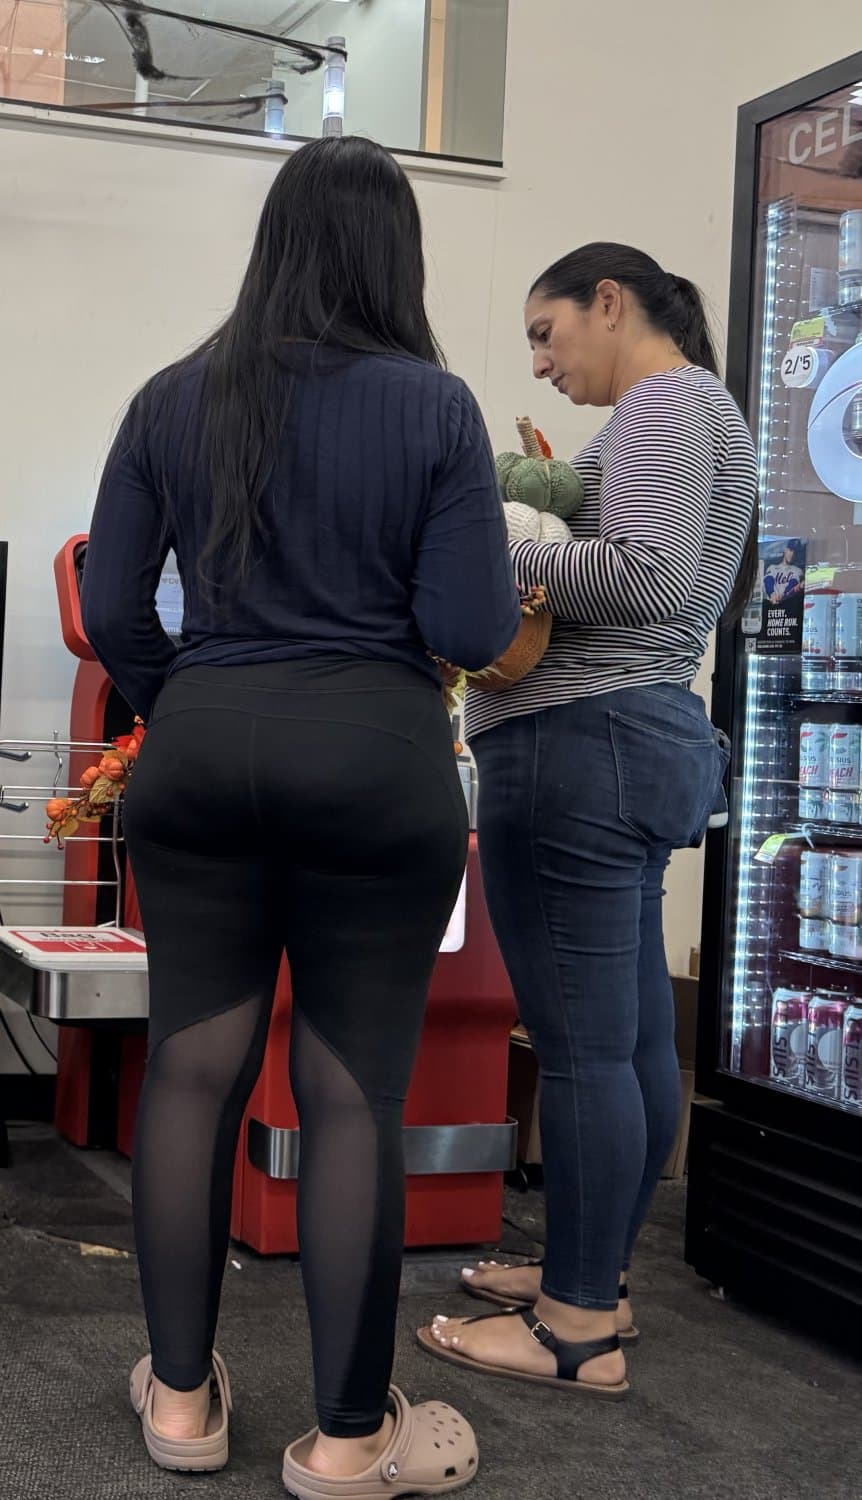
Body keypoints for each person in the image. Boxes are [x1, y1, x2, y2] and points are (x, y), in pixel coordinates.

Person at [80, 137, 521, 1496]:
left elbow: (108, 612)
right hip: (377, 766)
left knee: (193, 1071)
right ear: (397, 255)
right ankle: (346, 1437)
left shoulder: (171, 396)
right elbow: (467, 627)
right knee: (346, 1099)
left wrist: (197, 695)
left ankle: (178, 1405)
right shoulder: (436, 409)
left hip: (200, 761)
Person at [419, 244, 758, 1398]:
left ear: (610, 302)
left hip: (587, 746)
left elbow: (650, 578)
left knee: (578, 1048)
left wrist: (503, 548)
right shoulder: (691, 409)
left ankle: (573, 1330)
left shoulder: (665, 401)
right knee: (614, 1036)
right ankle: (593, 1276)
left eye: (546, 330)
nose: (539, 359)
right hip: (630, 738)